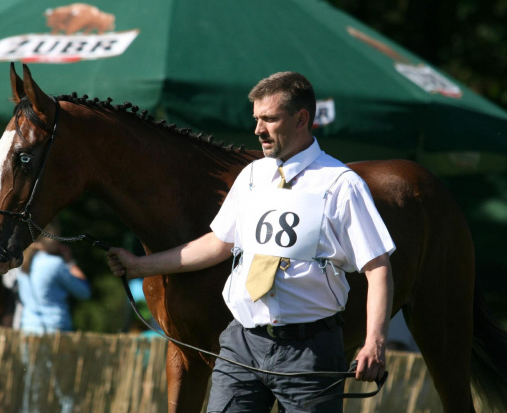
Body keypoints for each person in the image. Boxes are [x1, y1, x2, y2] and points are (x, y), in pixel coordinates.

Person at [107, 72, 395, 412]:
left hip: (310, 351)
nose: (258, 130)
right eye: (256, 119)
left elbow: (378, 269)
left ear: (302, 119)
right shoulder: (252, 176)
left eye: (269, 119)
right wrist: (140, 266)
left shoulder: (342, 184)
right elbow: (218, 244)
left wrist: (374, 341)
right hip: (241, 342)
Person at [17, 230, 91, 334]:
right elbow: (84, 292)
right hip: (55, 328)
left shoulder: (22, 263)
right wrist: (70, 262)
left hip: (28, 327)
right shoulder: (55, 264)